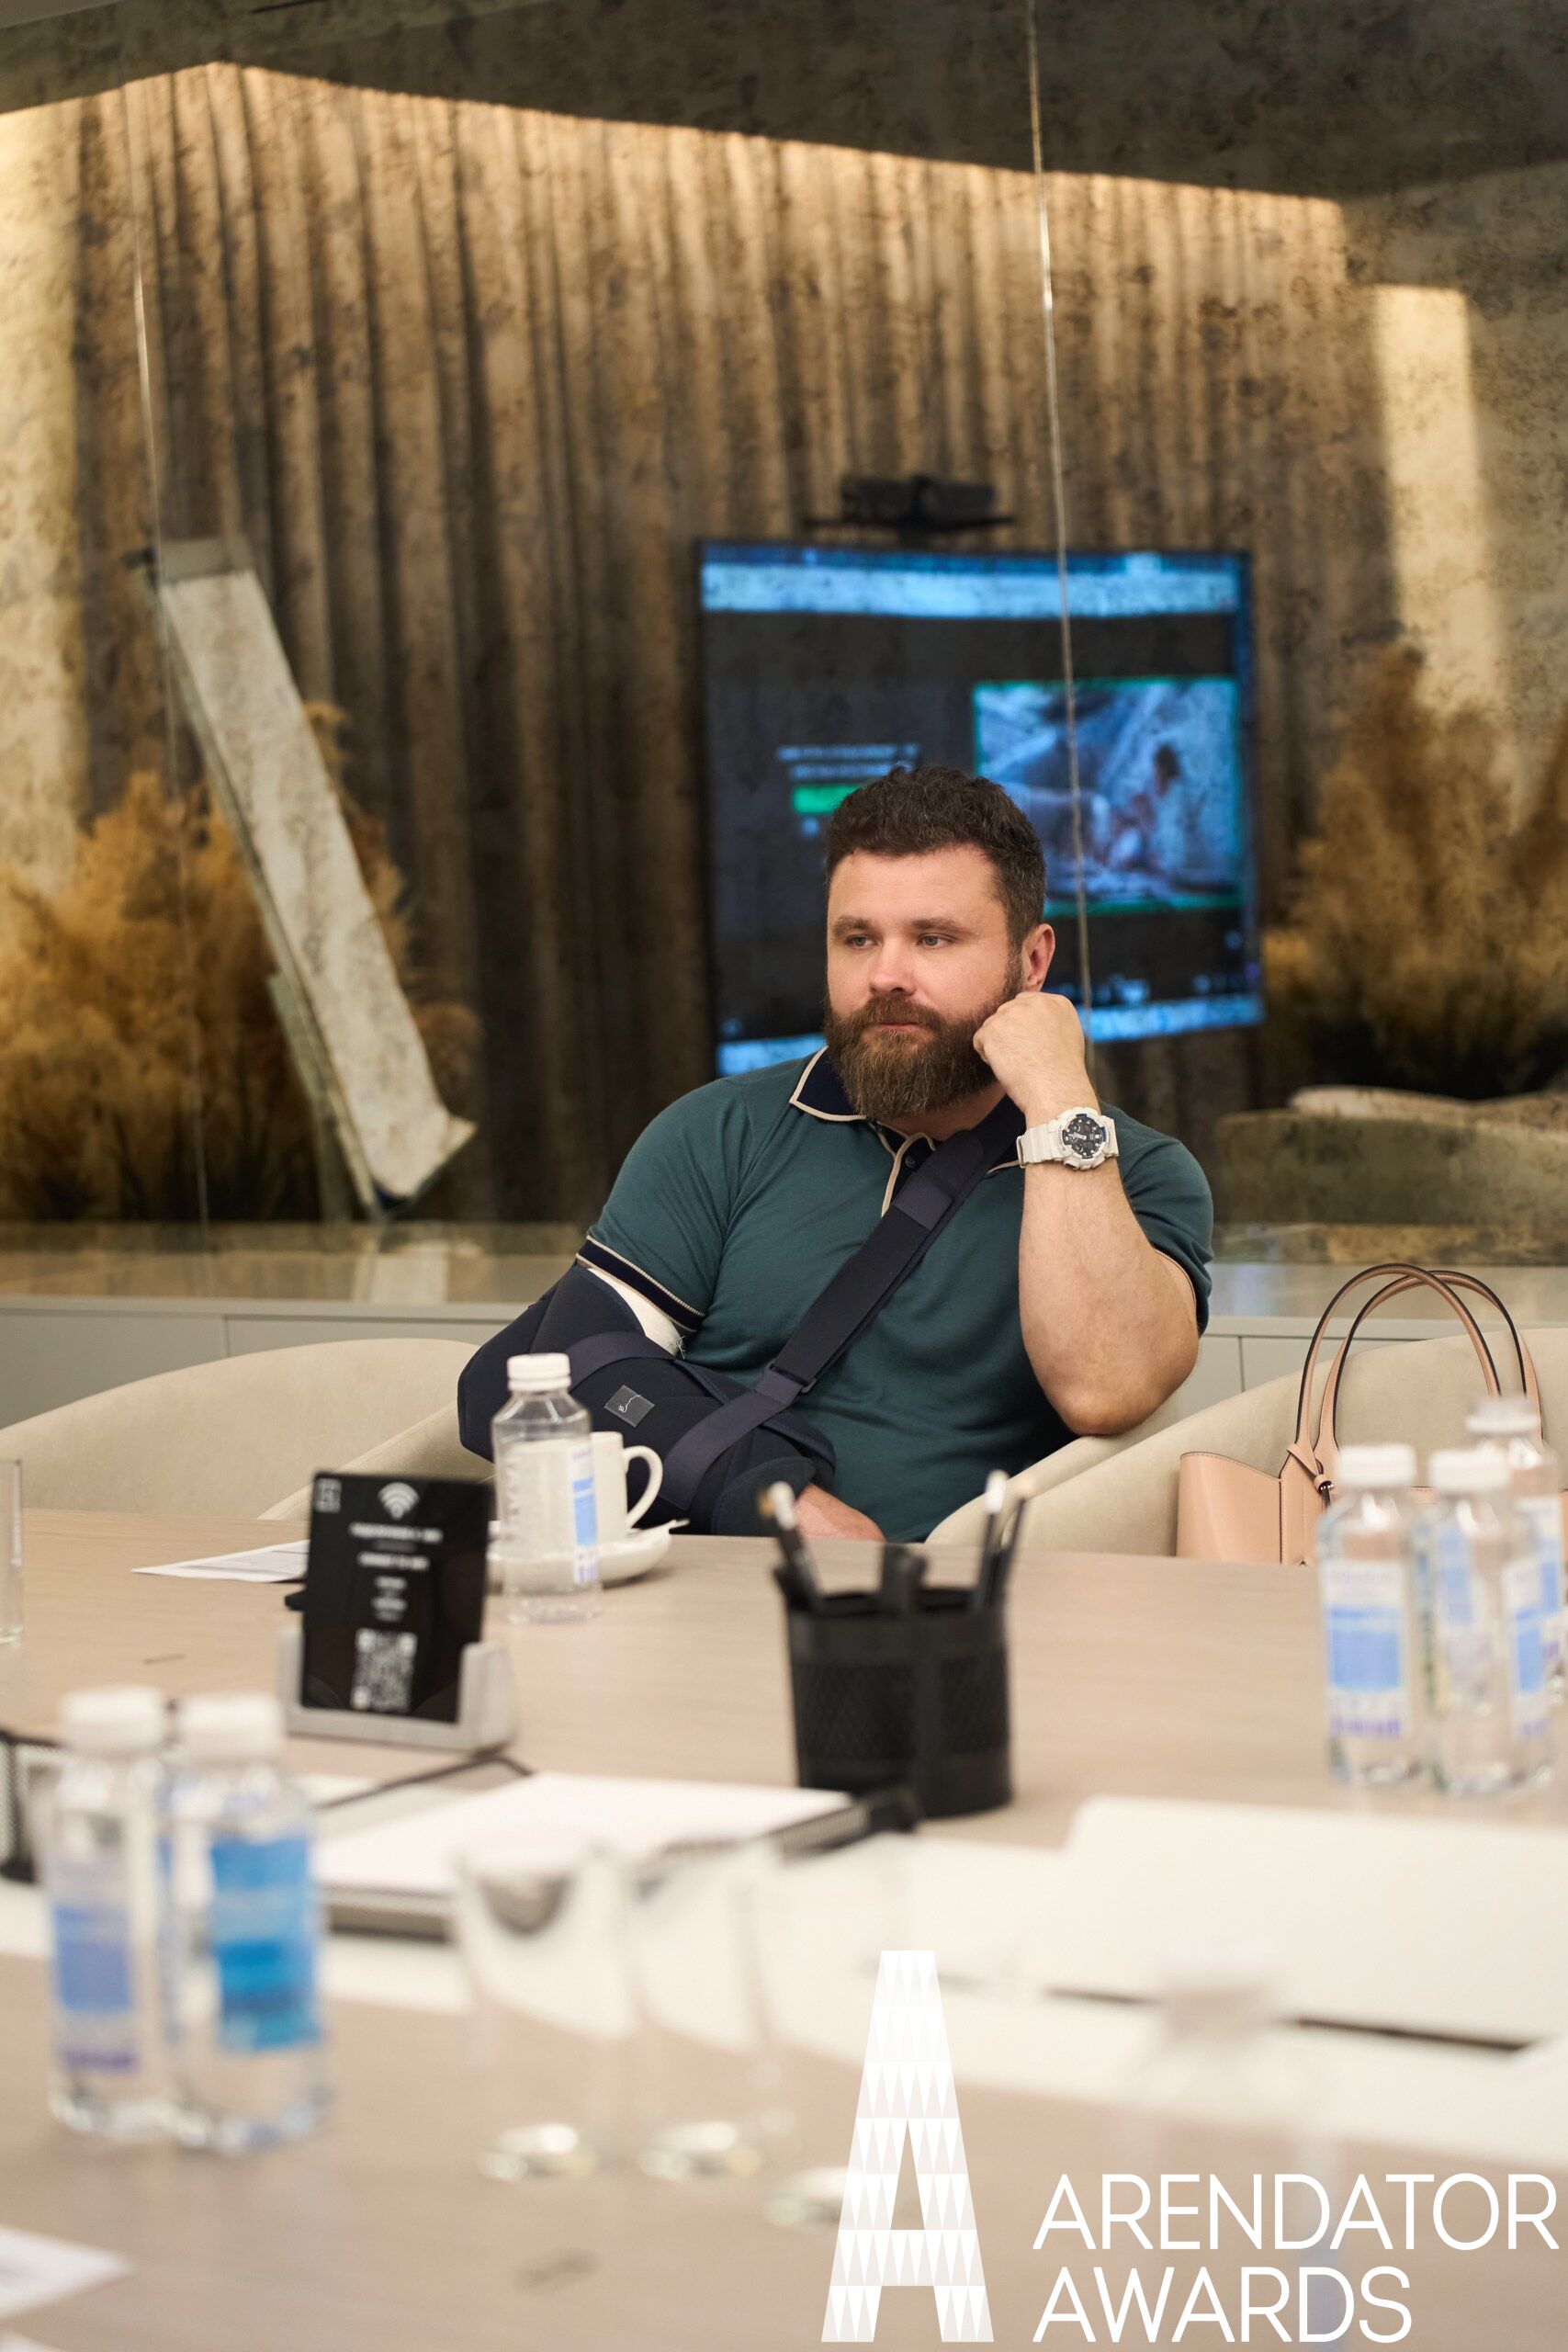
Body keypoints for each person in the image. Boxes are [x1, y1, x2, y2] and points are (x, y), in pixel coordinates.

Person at [463, 764, 1212, 1543]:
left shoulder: (1137, 1174)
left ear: (1030, 963)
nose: (885, 976)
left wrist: (1058, 1100)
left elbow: (1106, 1388)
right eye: (857, 939)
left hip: (962, 1593)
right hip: (698, 1578)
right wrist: (774, 1499)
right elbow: (572, 1368)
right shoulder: (723, 1130)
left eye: (933, 938)